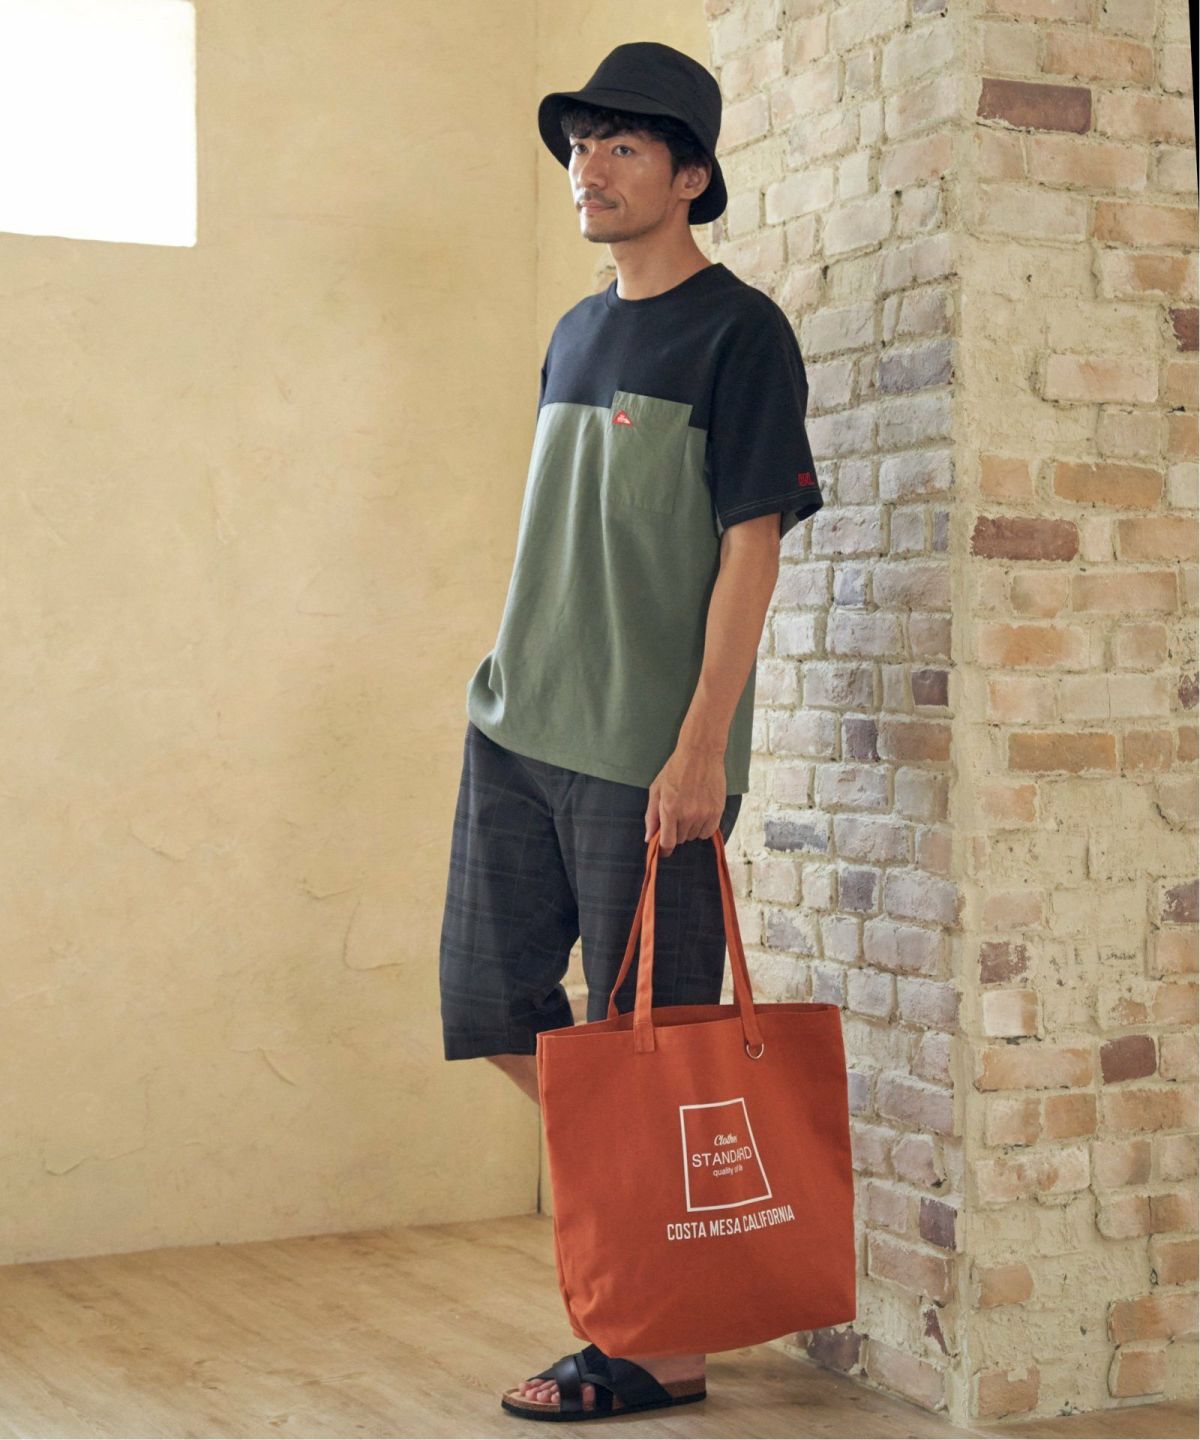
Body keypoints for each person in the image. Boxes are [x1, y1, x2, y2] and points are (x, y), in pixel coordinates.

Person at [437, 40, 824, 1422]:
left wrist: (703, 745)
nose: (586, 167)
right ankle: (656, 1248)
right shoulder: (574, 330)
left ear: (691, 175)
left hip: (645, 757)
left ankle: (659, 1349)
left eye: (621, 146)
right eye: (578, 144)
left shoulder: (741, 335)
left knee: (650, 1040)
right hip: (517, 725)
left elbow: (750, 548)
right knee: (493, 1008)